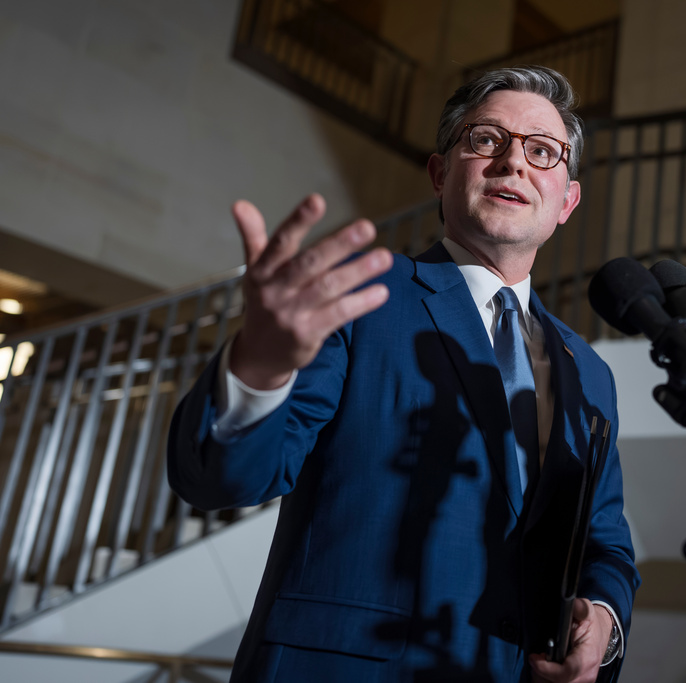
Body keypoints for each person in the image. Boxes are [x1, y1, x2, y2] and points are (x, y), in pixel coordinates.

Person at [167, 65, 639, 683]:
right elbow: (225, 479)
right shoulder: (361, 295)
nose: (513, 163)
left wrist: (603, 618)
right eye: (486, 139)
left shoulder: (590, 372)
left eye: (542, 152)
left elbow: (605, 540)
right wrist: (259, 366)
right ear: (441, 174)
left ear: (567, 202)